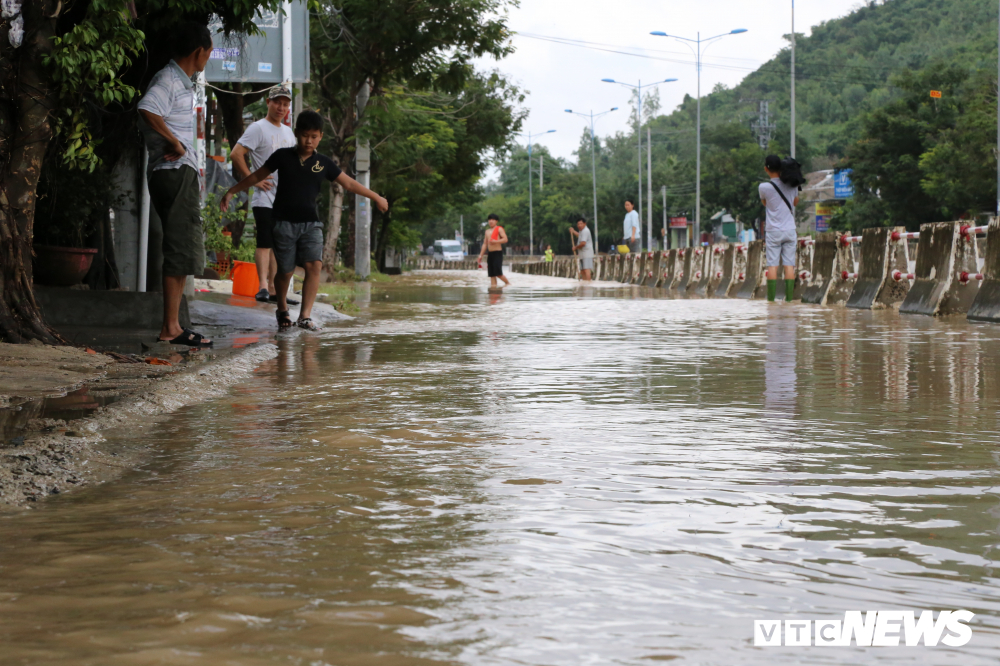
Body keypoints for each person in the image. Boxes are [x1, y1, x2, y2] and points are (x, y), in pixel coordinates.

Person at [221, 110, 389, 331]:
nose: (309, 141)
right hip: (283, 223)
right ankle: (281, 308)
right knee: (286, 271)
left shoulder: (323, 163)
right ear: (297, 134)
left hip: (311, 224)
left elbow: (348, 183)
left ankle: (305, 316)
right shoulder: (282, 156)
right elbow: (257, 175)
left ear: (320, 136)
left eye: (314, 136)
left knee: (314, 266)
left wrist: (375, 196)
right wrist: (232, 191)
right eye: (304, 135)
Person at [138, 22, 214, 347]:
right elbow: (147, 108)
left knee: (181, 249)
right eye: (209, 52)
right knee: (179, 248)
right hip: (174, 171)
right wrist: (177, 144)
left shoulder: (182, 83)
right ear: (199, 51)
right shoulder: (168, 79)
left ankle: (174, 326)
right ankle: (170, 328)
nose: (208, 58)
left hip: (177, 172)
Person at [230, 84, 298, 304]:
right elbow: (236, 154)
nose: (281, 107)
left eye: (285, 104)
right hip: (264, 196)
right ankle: (261, 286)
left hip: (285, 197)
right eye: (277, 102)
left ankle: (274, 289)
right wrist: (254, 179)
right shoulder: (258, 128)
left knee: (279, 244)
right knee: (264, 240)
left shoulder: (288, 132)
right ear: (268, 102)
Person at [759, 155, 800, 302]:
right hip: (789, 230)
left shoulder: (763, 187)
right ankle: (789, 300)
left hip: (773, 231)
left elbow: (765, 203)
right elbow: (795, 202)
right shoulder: (792, 185)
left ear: (766, 169)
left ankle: (771, 301)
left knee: (772, 266)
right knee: (789, 266)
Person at [476, 214, 510, 289]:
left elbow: (505, 239)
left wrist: (496, 241)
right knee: (491, 274)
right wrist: (480, 255)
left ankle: (508, 284)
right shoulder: (487, 231)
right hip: (490, 254)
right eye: (489, 220)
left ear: (496, 221)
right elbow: (485, 244)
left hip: (497, 253)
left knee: (498, 273)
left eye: (493, 220)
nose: (491, 221)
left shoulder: (499, 229)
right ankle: (493, 290)